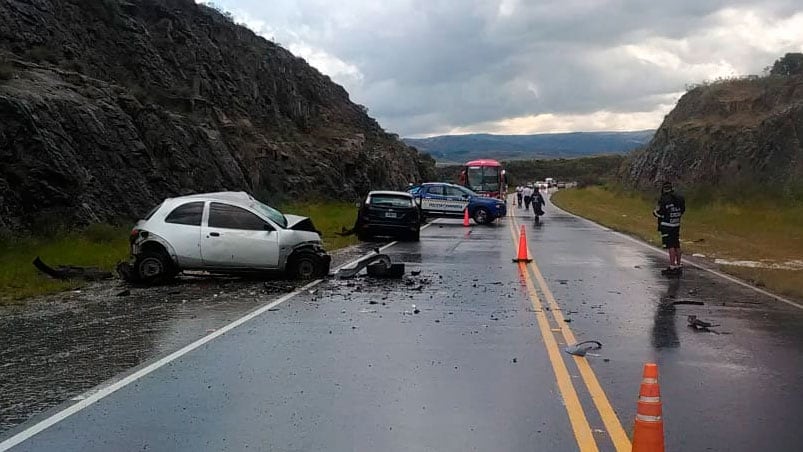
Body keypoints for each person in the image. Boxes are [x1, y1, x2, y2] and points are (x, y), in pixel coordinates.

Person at [653, 182, 686, 275]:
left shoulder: (664, 199)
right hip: (676, 224)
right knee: (677, 245)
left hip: (667, 225)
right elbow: (682, 210)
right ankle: (678, 265)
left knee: (670, 246)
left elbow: (660, 213)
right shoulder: (680, 198)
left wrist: (654, 212)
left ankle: (672, 267)